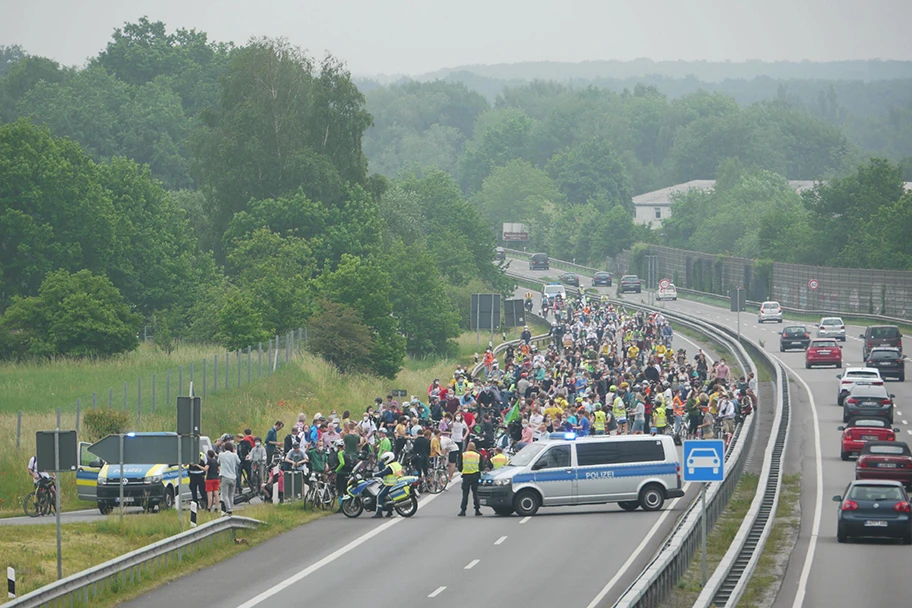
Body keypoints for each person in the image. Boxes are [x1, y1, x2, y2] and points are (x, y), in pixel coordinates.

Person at [372, 451, 402, 519]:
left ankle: (379, 513)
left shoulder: (390, 467)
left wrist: (373, 474)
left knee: (379, 496)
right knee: (387, 497)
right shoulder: (397, 464)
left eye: (385, 459)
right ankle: (389, 511)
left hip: (390, 484)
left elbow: (383, 473)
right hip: (396, 483)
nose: (384, 461)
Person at [458, 441, 483, 517]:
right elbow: (481, 467)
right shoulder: (478, 455)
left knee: (465, 494)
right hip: (475, 475)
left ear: (468, 447)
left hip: (466, 476)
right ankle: (477, 509)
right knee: (475, 493)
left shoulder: (463, 455)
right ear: (474, 447)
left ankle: (463, 510)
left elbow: (460, 467)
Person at [218, 442, 241, 515]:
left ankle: (228, 509)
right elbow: (239, 462)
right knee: (231, 494)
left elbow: (218, 462)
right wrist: (235, 453)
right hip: (233, 477)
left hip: (225, 476)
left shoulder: (221, 455)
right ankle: (231, 507)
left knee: (224, 494)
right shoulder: (234, 455)